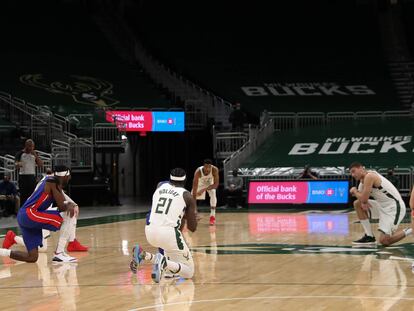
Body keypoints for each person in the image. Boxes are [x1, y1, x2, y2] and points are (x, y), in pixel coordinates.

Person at [129, 168, 198, 283]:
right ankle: (163, 262)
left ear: (170, 179)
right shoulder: (187, 196)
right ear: (185, 181)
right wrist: (191, 216)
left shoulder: (160, 185)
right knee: (189, 272)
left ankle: (145, 255)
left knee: (171, 268)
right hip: (168, 234)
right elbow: (192, 227)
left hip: (150, 231)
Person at [0, 165, 78, 263]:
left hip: (24, 216)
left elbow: (63, 199)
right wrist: (70, 205)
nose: (70, 178)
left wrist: (70, 204)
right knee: (68, 215)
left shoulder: (50, 180)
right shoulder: (52, 182)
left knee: (32, 257)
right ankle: (59, 253)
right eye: (69, 176)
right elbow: (62, 206)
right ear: (65, 176)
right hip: (31, 214)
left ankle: (2, 252)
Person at [349, 162, 411, 246]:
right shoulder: (362, 182)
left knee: (384, 241)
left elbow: (363, 198)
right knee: (357, 203)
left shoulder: (369, 176)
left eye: (353, 171)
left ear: (361, 168)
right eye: (351, 173)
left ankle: (411, 230)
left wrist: (354, 191)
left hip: (394, 207)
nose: (352, 175)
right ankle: (369, 236)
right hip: (382, 206)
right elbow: (362, 200)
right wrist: (363, 200)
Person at [15, 139, 43, 206]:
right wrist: (18, 164)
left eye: (32, 146)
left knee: (32, 196)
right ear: (26, 145)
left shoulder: (34, 154)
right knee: (23, 196)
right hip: (23, 177)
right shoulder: (19, 153)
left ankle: (30, 212)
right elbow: (16, 165)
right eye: (29, 146)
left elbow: (40, 165)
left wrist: (35, 155)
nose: (31, 148)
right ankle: (22, 213)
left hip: (32, 177)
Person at [191, 159, 219, 225]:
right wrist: (195, 210)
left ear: (211, 166)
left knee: (213, 193)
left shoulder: (215, 170)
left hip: (210, 184)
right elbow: (194, 191)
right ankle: (191, 214)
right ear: (203, 166)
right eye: (206, 167)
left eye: (209, 167)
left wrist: (204, 190)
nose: (207, 169)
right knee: (192, 196)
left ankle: (212, 216)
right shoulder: (198, 172)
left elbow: (216, 185)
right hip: (200, 183)